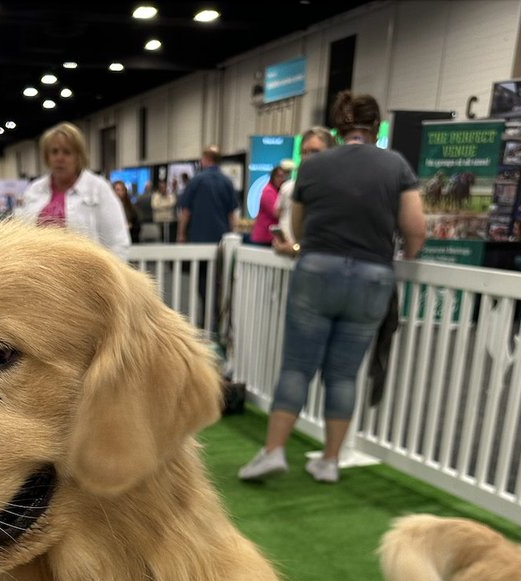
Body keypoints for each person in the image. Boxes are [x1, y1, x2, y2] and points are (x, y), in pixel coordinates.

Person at [238, 92, 426, 484]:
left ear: (340, 129)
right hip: (373, 276)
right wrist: (407, 253)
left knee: (296, 367)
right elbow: (415, 229)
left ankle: (273, 451)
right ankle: (329, 460)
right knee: (343, 374)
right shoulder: (396, 166)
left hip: (317, 270)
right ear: (375, 127)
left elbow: (301, 227)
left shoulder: (315, 167)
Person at [18, 122, 130, 257]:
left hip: (86, 274)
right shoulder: (34, 189)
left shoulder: (99, 188)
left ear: (78, 156)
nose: (59, 158)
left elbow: (118, 243)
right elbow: (21, 235)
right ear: (47, 157)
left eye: (67, 152)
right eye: (54, 152)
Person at [177, 146, 240, 328]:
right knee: (219, 281)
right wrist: (232, 235)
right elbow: (232, 214)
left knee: (202, 280)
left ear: (205, 159)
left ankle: (206, 317)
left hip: (199, 240)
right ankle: (216, 318)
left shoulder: (196, 181)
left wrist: (181, 234)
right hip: (222, 241)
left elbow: (186, 211)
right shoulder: (227, 182)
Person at [271, 128, 336, 254]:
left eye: (315, 152)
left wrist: (296, 249)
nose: (307, 158)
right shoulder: (299, 187)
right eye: (304, 152)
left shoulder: (337, 189)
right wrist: (295, 247)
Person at [250, 161, 291, 246]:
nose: (282, 179)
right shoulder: (268, 191)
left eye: (284, 177)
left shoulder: (278, 191)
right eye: (279, 176)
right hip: (264, 237)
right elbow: (275, 213)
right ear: (273, 177)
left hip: (272, 237)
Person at [113, 179, 141, 244]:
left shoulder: (131, 207)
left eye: (122, 190)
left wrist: (130, 226)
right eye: (117, 190)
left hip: (130, 239)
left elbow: (137, 225)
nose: (120, 192)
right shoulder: (107, 207)